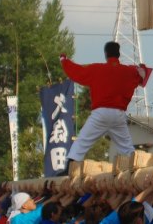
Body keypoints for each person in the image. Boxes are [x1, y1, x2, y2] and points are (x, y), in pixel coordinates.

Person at [59, 42, 147, 172]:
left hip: (100, 113)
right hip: (119, 115)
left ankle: (68, 170)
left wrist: (64, 61)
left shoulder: (97, 69)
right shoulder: (129, 71)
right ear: (119, 54)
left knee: (82, 141)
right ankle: (138, 169)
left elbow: (77, 72)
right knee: (127, 147)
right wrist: (141, 69)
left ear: (106, 54)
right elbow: (142, 77)